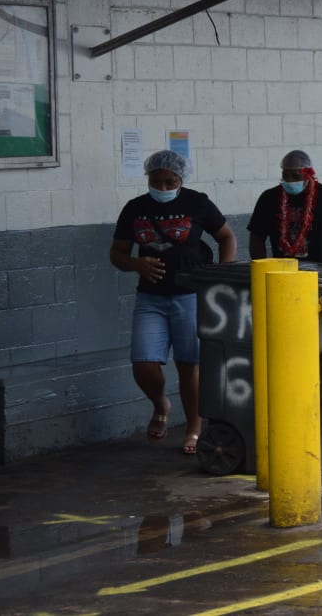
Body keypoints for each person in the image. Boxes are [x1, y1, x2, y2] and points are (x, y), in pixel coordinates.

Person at [109, 151, 237, 455]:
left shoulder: (198, 203)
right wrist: (136, 265)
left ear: (181, 179)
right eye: (157, 182)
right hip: (150, 297)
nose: (163, 188)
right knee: (143, 363)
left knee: (188, 364)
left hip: (190, 296)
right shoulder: (135, 208)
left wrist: (219, 274)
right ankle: (161, 404)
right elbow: (117, 253)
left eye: (171, 182)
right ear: (148, 179)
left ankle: (194, 426)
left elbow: (227, 237)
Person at [247, 150, 322, 266]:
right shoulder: (269, 198)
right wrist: (261, 265)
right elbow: (257, 236)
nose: (289, 180)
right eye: (285, 175)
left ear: (309, 175)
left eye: (295, 176)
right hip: (282, 272)